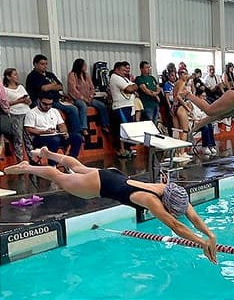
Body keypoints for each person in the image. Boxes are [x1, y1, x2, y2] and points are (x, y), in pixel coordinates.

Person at [3, 147, 218, 264]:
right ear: (167, 206)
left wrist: (211, 236)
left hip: (113, 175)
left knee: (77, 167)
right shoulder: (151, 201)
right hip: (99, 185)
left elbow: (192, 216)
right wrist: (201, 243)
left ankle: (48, 153)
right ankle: (27, 167)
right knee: (58, 176)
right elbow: (176, 226)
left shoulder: (170, 191)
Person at [25, 54, 82, 135]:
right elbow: (44, 88)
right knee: (72, 109)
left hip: (56, 99)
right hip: (42, 102)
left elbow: (60, 86)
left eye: (46, 64)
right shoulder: (32, 76)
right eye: (42, 64)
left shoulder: (50, 75)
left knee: (75, 107)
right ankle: (76, 133)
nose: (44, 66)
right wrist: (53, 85)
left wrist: (50, 86)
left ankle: (75, 132)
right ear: (35, 64)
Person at [24, 95, 83, 165]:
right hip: (40, 138)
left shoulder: (54, 111)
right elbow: (29, 130)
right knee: (55, 140)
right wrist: (43, 132)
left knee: (77, 137)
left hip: (55, 135)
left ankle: (71, 162)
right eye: (45, 104)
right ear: (38, 101)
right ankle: (52, 165)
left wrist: (64, 132)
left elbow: (61, 125)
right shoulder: (31, 113)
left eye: (50, 104)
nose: (48, 106)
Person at [67, 59, 111, 135]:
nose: (86, 67)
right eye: (84, 65)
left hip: (89, 98)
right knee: (83, 106)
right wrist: (83, 98)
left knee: (102, 105)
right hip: (77, 99)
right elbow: (73, 90)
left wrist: (90, 96)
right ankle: (84, 128)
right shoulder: (72, 75)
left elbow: (92, 87)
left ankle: (105, 125)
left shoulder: (86, 75)